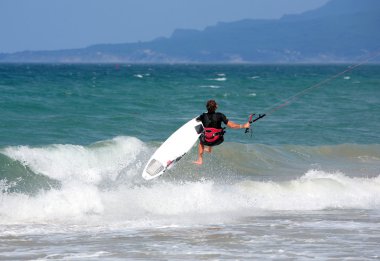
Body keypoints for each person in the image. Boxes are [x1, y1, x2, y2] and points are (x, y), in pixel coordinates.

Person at [193, 100, 250, 165]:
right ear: (216, 107)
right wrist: (243, 126)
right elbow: (232, 125)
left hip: (207, 141)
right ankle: (209, 149)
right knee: (215, 132)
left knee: (202, 134)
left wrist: (203, 118)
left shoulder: (203, 116)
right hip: (218, 140)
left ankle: (200, 159)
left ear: (207, 107)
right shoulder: (220, 115)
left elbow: (197, 120)